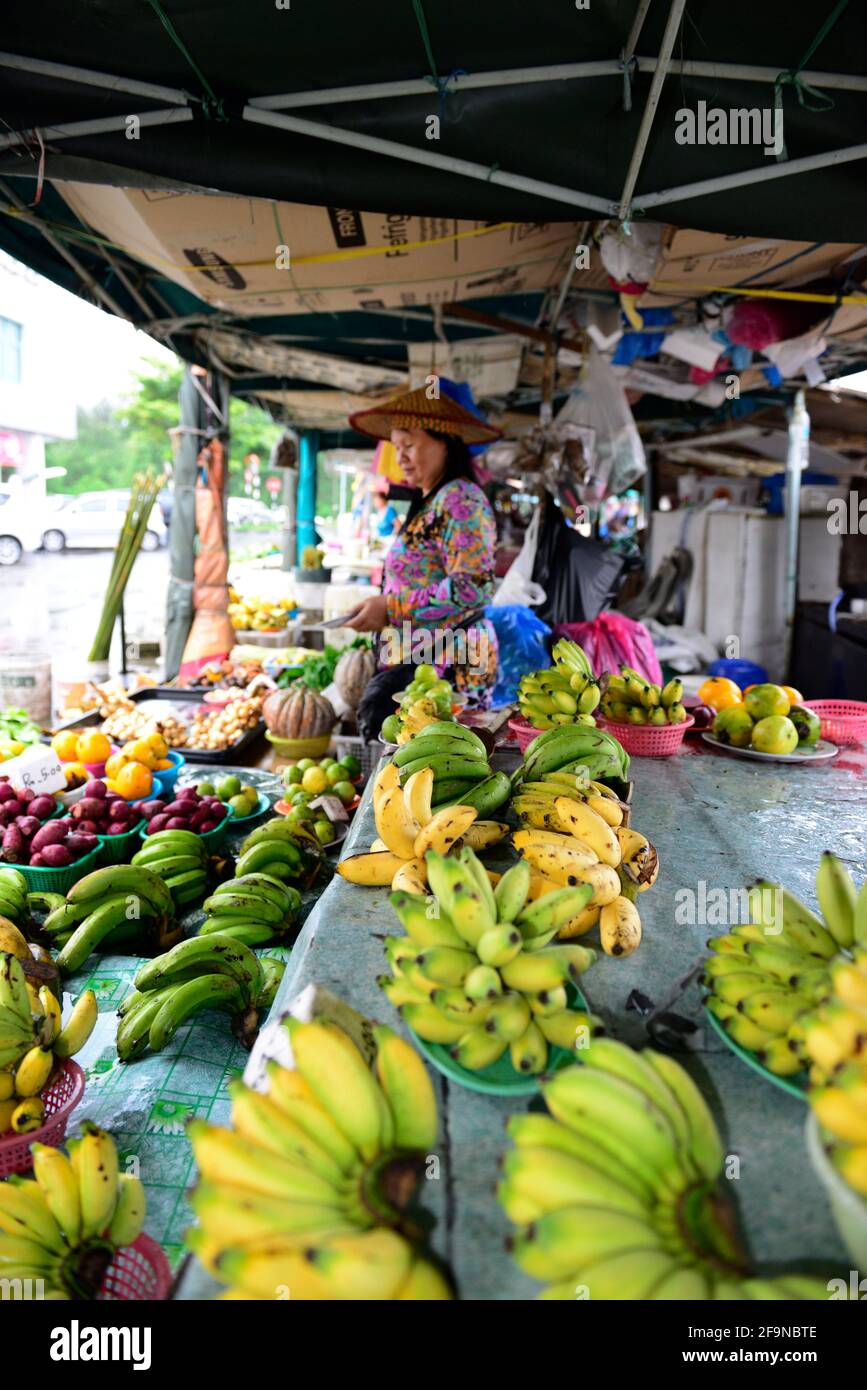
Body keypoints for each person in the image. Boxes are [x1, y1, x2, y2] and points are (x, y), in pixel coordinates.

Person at [343, 387, 501, 734]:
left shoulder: (461, 500)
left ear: (444, 441)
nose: (400, 457)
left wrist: (391, 607)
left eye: (409, 445)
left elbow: (473, 588)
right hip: (424, 661)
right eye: (396, 447)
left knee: (443, 766)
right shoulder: (431, 500)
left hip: (453, 665)